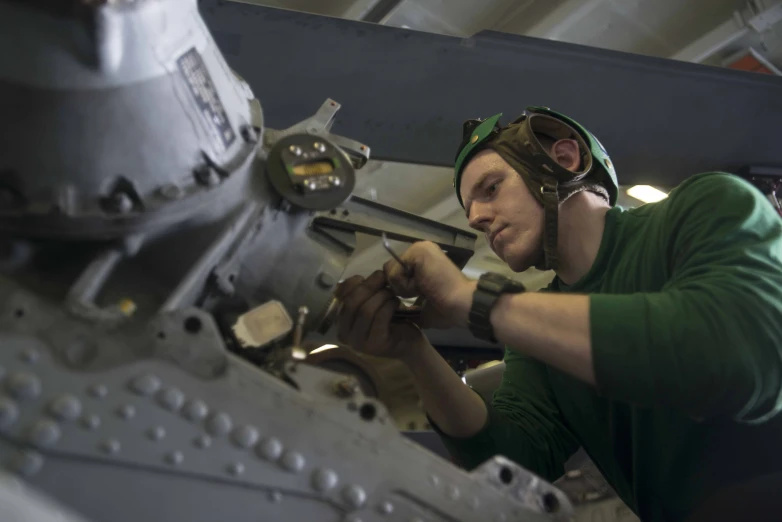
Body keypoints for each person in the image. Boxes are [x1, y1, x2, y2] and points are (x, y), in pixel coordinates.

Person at [334, 106, 782, 522]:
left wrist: (476, 300)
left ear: (565, 158)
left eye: (490, 189)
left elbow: (741, 353)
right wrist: (412, 349)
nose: (476, 218)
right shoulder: (536, 336)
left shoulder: (703, 207)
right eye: (469, 207)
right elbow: (511, 459)